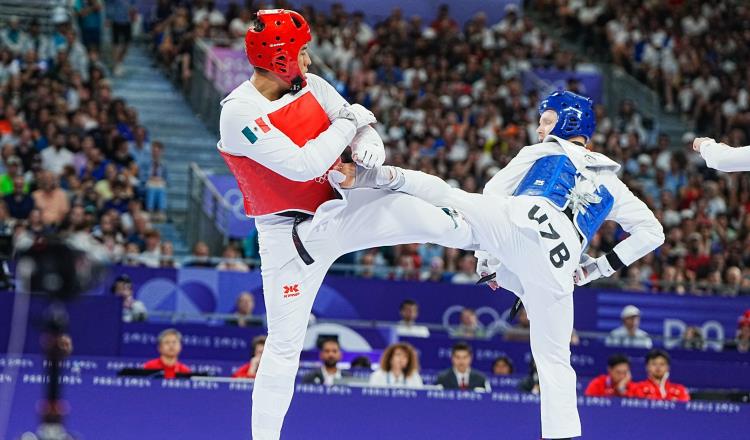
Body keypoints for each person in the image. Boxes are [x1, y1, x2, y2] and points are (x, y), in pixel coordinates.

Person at [345, 90, 663, 439]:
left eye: (545, 121)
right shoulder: (613, 183)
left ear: (568, 122)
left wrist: (487, 260)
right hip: (559, 265)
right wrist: (596, 269)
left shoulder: (543, 150)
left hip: (523, 225)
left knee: (455, 200)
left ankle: (368, 177)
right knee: (555, 362)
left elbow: (494, 191)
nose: (540, 129)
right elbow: (652, 233)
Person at [216, 10, 473, 439]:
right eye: (302, 54)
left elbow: (362, 129)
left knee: (424, 217)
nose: (310, 62)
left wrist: (369, 143)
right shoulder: (238, 112)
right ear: (280, 57)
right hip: (289, 238)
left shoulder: (311, 86)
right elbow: (305, 165)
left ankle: (492, 244)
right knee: (283, 345)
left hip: (342, 205)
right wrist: (351, 121)